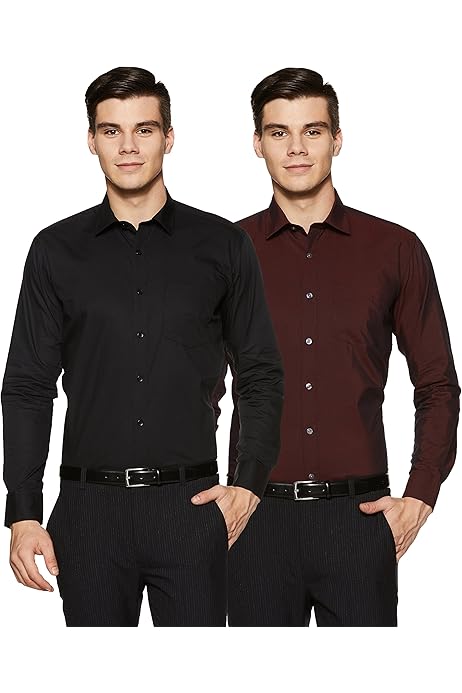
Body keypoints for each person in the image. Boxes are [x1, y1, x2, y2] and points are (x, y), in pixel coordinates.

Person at [1, 66, 283, 627]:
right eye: (111, 131)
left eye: (144, 129)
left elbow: (259, 374)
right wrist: (24, 511)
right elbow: (28, 386)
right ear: (91, 140)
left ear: (169, 137)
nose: (128, 146)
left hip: (192, 507)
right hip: (88, 513)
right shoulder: (55, 250)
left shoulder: (224, 246)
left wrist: (249, 483)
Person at [210, 67, 459, 626]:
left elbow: (437, 385)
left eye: (313, 131)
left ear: (337, 139)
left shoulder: (395, 249)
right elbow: (189, 385)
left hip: (360, 519)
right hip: (255, 521)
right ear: (258, 143)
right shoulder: (223, 252)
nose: (296, 148)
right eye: (279, 132)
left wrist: (420, 495)